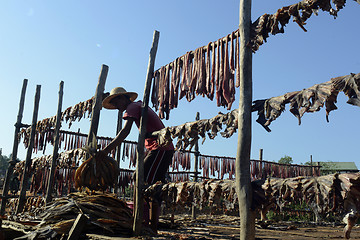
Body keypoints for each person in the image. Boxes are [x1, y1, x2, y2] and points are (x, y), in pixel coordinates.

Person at [100, 87, 174, 233]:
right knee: (146, 181)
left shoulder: (132, 106)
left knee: (147, 183)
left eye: (116, 103)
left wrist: (105, 151)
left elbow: (125, 132)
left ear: (123, 98)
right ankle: (146, 223)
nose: (116, 107)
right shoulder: (137, 106)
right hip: (158, 148)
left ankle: (146, 224)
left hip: (160, 148)